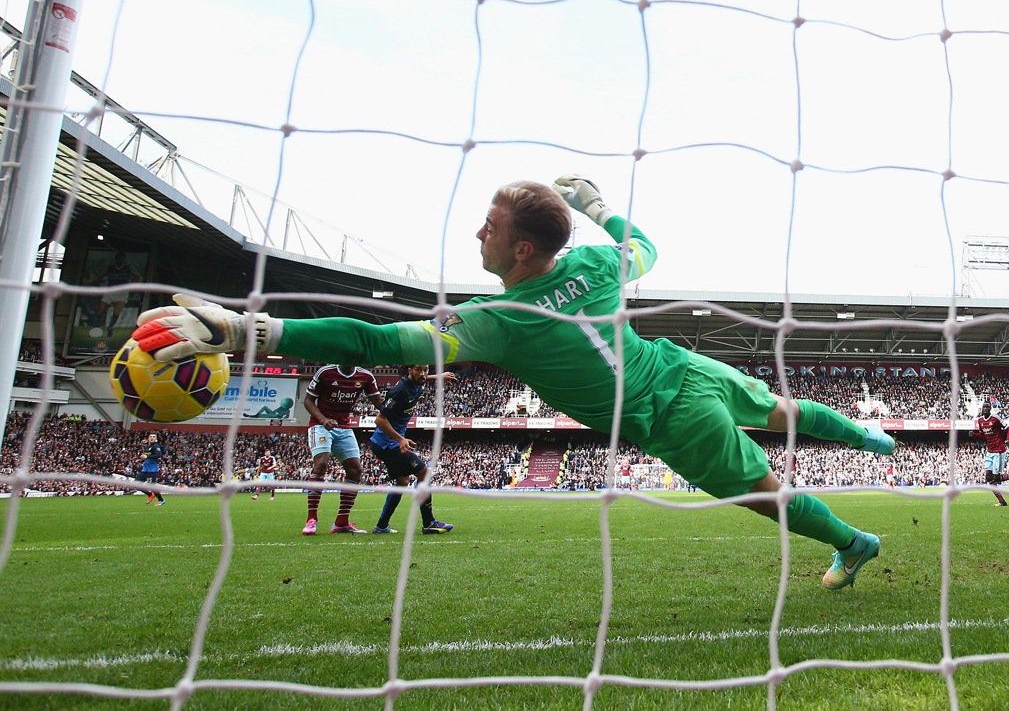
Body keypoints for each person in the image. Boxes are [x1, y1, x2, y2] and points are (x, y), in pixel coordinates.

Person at [132, 174, 896, 590]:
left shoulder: (497, 318)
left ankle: (852, 540)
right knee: (781, 407)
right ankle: (867, 436)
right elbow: (645, 247)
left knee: (760, 492)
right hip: (680, 364)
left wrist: (244, 329)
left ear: (523, 248)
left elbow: (373, 337)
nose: (478, 233)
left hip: (667, 413)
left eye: (490, 227)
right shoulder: (595, 265)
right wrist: (597, 206)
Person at [369, 364, 457, 535]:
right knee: (424, 473)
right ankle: (429, 523)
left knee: (402, 482)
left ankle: (381, 526)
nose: (423, 373)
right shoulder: (400, 390)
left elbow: (424, 378)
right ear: (409, 371)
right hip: (388, 444)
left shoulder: (419, 381)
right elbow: (380, 420)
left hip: (388, 443)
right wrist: (400, 439)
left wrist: (438, 376)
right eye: (418, 369)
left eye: (425, 369)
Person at [301, 364, 384, 534]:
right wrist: (323, 419)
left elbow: (380, 404)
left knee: (355, 470)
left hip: (344, 426)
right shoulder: (325, 373)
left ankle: (341, 523)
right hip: (320, 424)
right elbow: (308, 401)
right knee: (321, 464)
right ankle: (311, 519)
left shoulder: (365, 376)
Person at [972, 400, 1009, 506]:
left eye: (987, 407)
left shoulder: (996, 418)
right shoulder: (980, 420)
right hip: (990, 451)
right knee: (988, 477)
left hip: (999, 451)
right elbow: (983, 435)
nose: (985, 408)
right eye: (983, 407)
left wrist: (1008, 440)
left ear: (990, 409)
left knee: (996, 478)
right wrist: (974, 434)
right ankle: (1002, 501)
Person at [89, 252, 142, 337]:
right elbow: (98, 277)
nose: (121, 261)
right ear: (116, 259)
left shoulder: (128, 268)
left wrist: (136, 286)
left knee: (116, 313)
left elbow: (138, 277)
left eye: (122, 259)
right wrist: (90, 281)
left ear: (124, 260)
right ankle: (95, 329)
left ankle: (110, 328)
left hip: (122, 293)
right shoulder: (110, 268)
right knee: (100, 312)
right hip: (110, 292)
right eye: (119, 259)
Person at [138, 432, 167, 506]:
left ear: (156, 439)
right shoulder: (148, 447)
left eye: (154, 437)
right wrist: (142, 458)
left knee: (151, 486)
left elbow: (158, 455)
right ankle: (150, 495)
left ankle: (161, 500)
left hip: (152, 470)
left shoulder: (156, 446)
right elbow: (147, 456)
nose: (152, 438)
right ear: (148, 438)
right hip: (145, 469)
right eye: (150, 437)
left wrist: (147, 457)